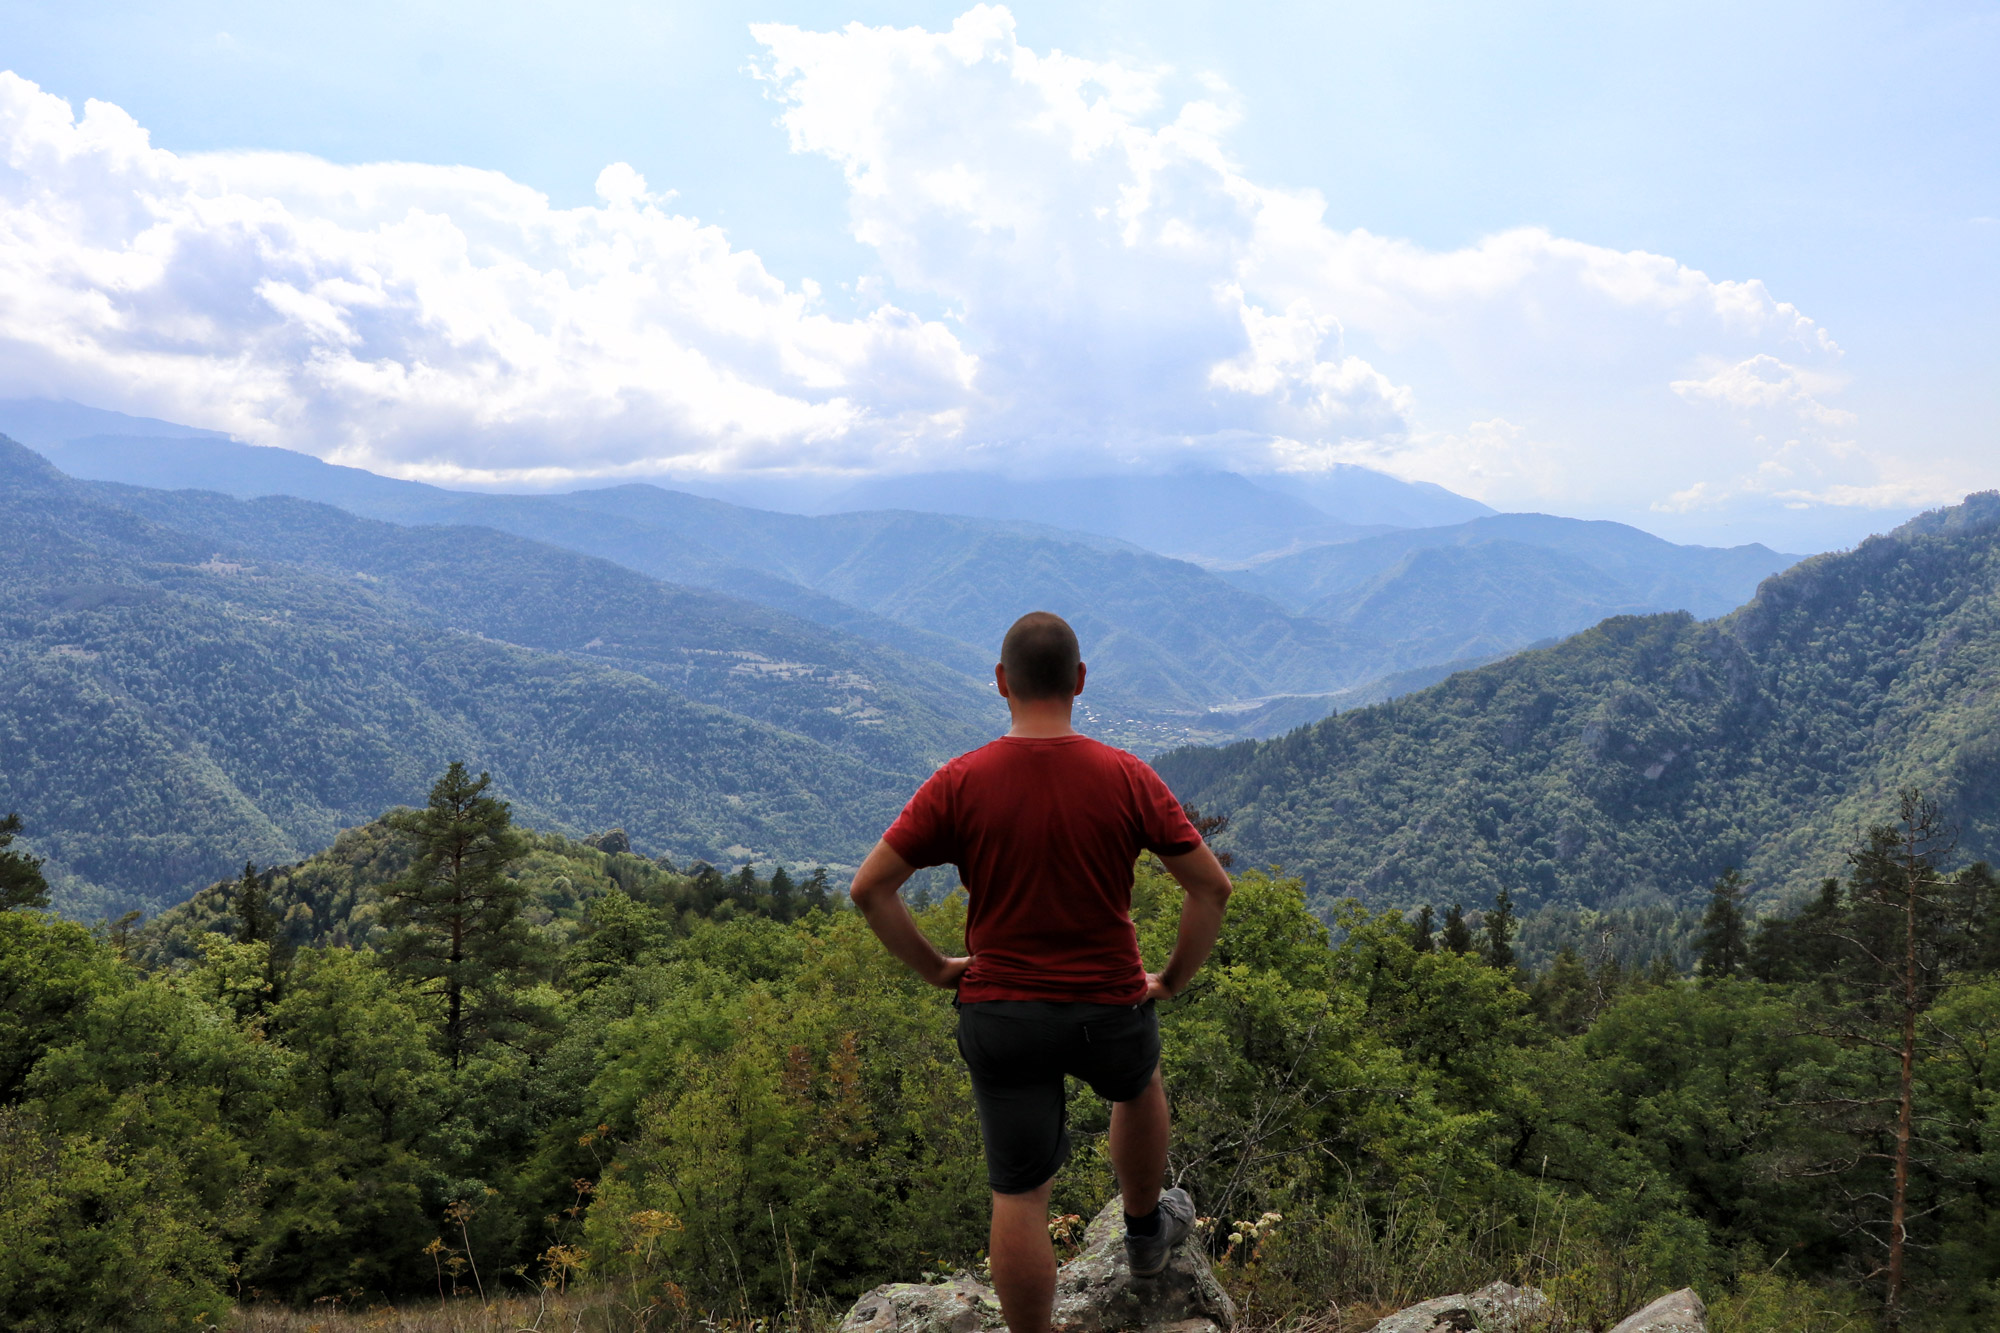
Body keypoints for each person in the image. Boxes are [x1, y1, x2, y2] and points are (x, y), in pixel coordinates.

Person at [848, 611, 1234, 1333]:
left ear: (1001, 683)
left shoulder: (959, 782)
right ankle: (1146, 1231)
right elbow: (1211, 887)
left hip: (1002, 1014)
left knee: (1021, 1196)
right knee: (1139, 1078)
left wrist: (936, 967)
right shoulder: (1126, 775)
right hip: (1107, 1007)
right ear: (1080, 681)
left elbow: (870, 888)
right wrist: (1173, 979)